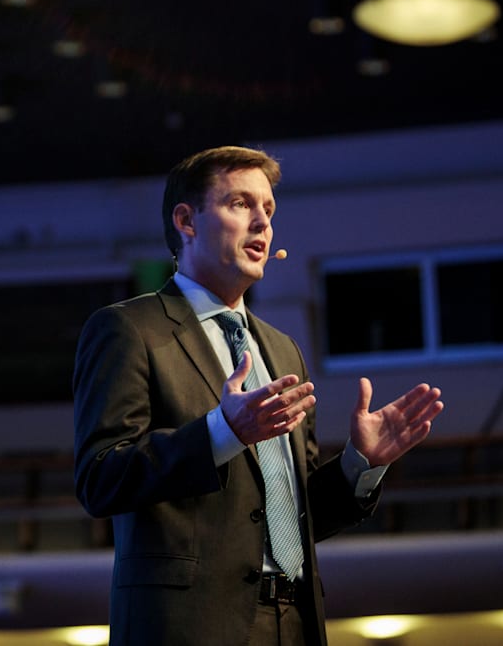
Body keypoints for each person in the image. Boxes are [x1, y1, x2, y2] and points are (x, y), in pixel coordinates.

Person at [72, 145, 444, 646]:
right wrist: (221, 433)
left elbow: (293, 518)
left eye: (268, 209)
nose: (263, 223)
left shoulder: (283, 350)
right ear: (186, 221)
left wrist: (359, 464)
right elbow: (99, 479)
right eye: (240, 204)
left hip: (294, 621)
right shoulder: (128, 329)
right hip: (188, 626)